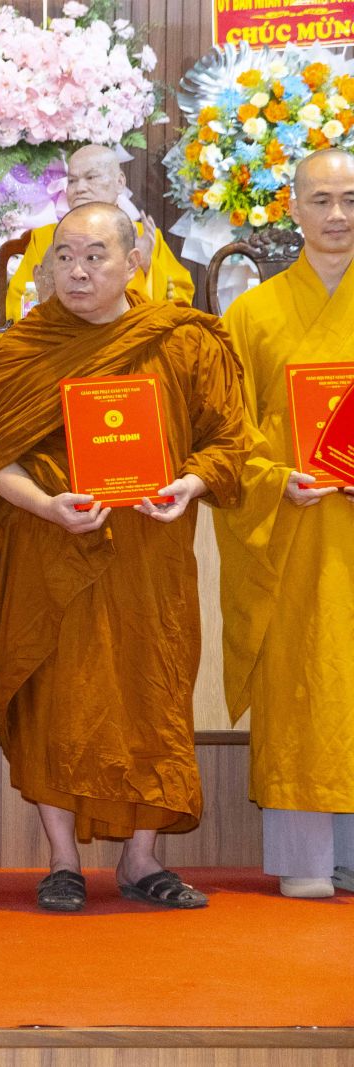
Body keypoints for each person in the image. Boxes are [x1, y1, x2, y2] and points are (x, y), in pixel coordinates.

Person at [0, 201, 249, 913]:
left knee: (152, 691)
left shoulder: (182, 341)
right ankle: (61, 861)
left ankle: (142, 859)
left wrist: (189, 484)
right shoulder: (20, 351)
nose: (78, 271)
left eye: (96, 256)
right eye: (63, 256)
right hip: (52, 555)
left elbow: (229, 440)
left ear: (134, 263)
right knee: (58, 702)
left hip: (149, 559)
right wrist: (46, 506)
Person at [215, 147, 354, 898]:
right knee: (303, 683)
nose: (337, 214)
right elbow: (228, 433)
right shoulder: (253, 314)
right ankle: (304, 857)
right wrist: (274, 480)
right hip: (292, 534)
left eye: (350, 199)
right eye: (321, 200)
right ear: (292, 208)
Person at [3, 145, 192, 324]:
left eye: (91, 177)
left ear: (120, 182)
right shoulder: (45, 237)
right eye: (72, 181)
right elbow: (20, 302)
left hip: (132, 341)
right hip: (65, 341)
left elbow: (178, 304)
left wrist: (147, 265)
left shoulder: (145, 237)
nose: (80, 188)